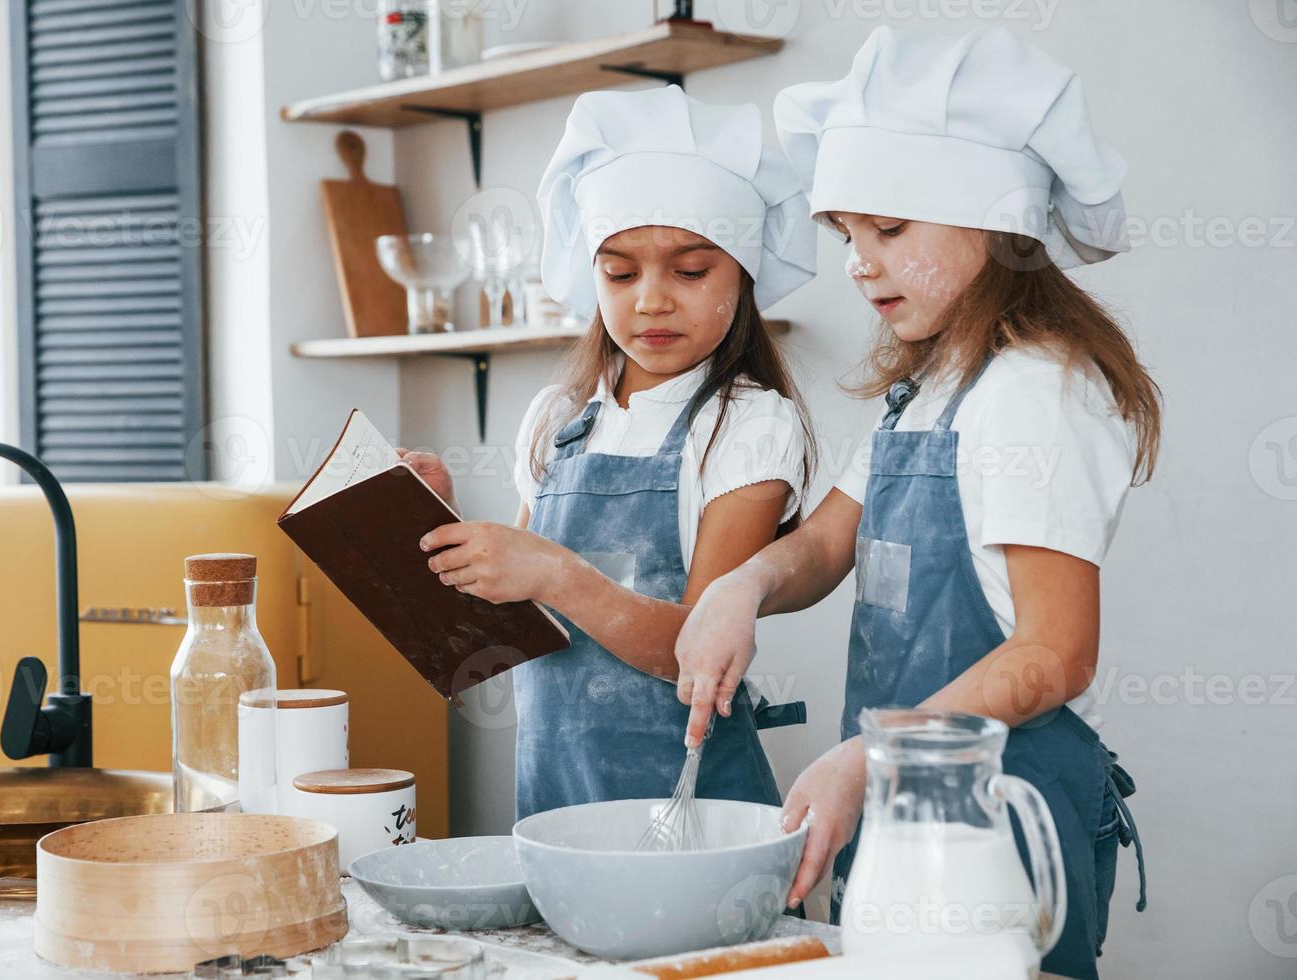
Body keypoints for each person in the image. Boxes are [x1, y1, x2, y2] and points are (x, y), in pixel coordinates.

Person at [672, 28, 1156, 979]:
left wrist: (869, 761)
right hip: (914, 807)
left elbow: (1054, 654)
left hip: (1006, 816)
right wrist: (742, 587)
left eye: (890, 230)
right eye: (847, 235)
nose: (860, 262)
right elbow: (820, 547)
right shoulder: (929, 392)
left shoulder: (1034, 392)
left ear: (995, 222)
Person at [406, 85, 817, 820]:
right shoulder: (559, 418)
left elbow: (697, 651)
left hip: (691, 809)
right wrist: (437, 520)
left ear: (744, 277)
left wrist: (557, 572)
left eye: (691, 271)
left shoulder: (751, 425)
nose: (651, 300)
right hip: (558, 798)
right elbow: (507, 638)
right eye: (620, 273)